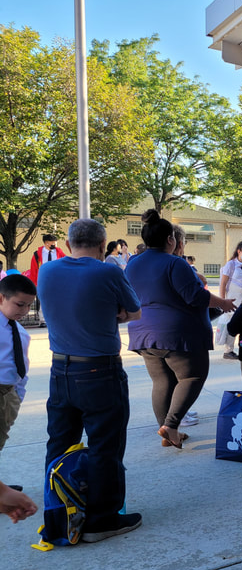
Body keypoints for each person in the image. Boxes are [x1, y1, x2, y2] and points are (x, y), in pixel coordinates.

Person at [38, 218, 143, 542]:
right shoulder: (108, 271)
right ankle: (102, 521)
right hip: (100, 372)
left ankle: (57, 519)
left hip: (60, 372)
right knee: (104, 447)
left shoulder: (47, 271)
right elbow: (134, 311)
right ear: (102, 245)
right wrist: (115, 312)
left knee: (59, 443)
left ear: (68, 244)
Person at [126, 210, 235, 448]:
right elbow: (195, 296)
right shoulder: (175, 262)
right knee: (192, 376)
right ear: (170, 239)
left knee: (161, 382)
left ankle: (167, 432)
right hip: (178, 333)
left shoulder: (133, 263)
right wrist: (224, 303)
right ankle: (171, 426)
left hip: (143, 332)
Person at [0, 275, 35, 454]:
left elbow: (23, 367)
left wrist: (17, 397)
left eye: (29, 305)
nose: (25, 311)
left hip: (9, 396)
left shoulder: (21, 333)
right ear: (1, 298)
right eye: (20, 304)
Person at [219, 241, 242, 360]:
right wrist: (222, 301)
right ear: (239, 251)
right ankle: (228, 350)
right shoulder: (230, 264)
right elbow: (223, 283)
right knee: (232, 322)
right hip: (233, 300)